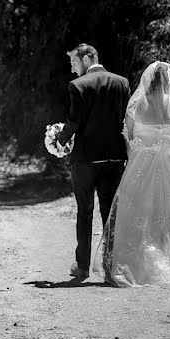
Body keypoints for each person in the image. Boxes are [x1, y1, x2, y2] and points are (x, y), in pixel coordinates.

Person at [105, 61, 170, 286]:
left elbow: (129, 137)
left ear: (147, 81)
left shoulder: (136, 106)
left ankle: (143, 265)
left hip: (142, 168)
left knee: (142, 215)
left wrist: (141, 151)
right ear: (168, 81)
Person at [56, 43, 130, 279]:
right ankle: (110, 268)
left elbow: (74, 122)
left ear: (87, 59)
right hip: (115, 157)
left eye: (74, 63)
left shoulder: (78, 86)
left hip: (86, 159)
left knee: (85, 211)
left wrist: (59, 138)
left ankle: (83, 267)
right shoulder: (122, 83)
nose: (72, 69)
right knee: (111, 214)